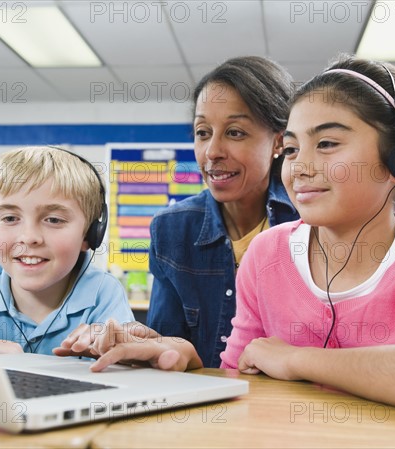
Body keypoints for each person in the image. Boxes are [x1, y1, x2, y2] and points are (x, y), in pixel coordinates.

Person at [58, 56, 395, 421]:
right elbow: (238, 385)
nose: (300, 166)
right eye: (294, 148)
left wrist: (296, 358)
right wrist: (180, 356)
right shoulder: (269, 252)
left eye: (328, 143)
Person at [55, 56, 299, 368]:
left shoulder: (309, 224)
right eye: (203, 132)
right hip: (204, 406)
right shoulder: (172, 229)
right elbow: (166, 345)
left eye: (235, 132)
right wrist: (136, 344)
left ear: (279, 141)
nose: (212, 152)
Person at [0, 146, 134, 355]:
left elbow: (124, 368)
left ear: (90, 234)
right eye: (10, 218)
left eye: (53, 220)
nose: (29, 237)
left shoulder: (103, 292)